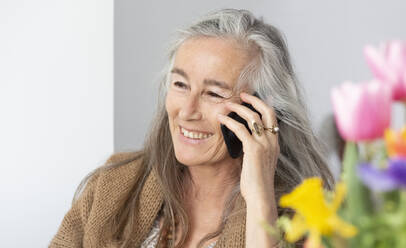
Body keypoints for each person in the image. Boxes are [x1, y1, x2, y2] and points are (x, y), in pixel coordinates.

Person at [49, 8, 334, 248]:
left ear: (260, 111)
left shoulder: (306, 219)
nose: (187, 111)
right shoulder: (110, 187)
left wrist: (260, 199)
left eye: (213, 94)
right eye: (181, 85)